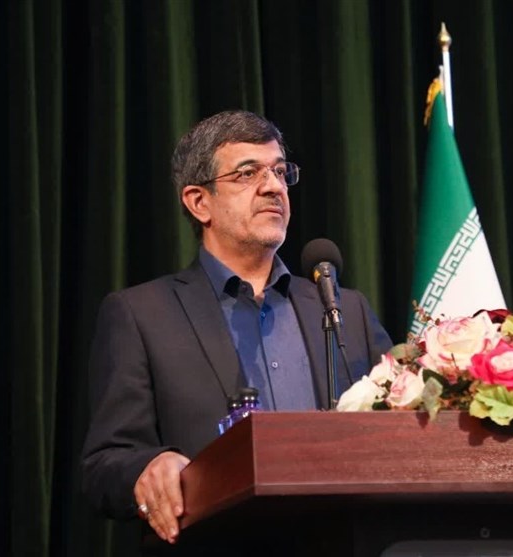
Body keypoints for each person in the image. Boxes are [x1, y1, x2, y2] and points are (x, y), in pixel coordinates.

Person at [80, 110, 392, 549]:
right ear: (198, 202)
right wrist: (148, 467)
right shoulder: (141, 314)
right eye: (248, 173)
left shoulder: (346, 309)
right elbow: (105, 463)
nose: (273, 187)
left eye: (279, 171)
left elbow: (399, 429)